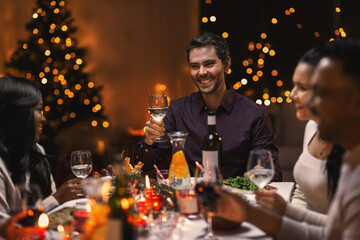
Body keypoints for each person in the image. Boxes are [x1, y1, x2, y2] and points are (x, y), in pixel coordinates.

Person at [213, 39, 360, 239]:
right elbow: (332, 231)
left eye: (321, 93)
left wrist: (254, 214)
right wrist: (254, 213)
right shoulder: (351, 159)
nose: (312, 105)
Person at [134, 32, 282, 180]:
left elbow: (274, 174)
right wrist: (149, 142)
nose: (202, 72)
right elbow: (142, 167)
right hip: (189, 198)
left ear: (226, 64)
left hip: (237, 199)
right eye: (195, 66)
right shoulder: (177, 111)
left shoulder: (254, 114)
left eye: (209, 64)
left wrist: (259, 173)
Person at [256, 47, 345, 216]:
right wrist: (286, 218)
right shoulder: (313, 126)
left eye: (302, 87)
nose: (291, 95)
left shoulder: (351, 142)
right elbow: (302, 195)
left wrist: (284, 217)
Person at [0, 76, 84, 221]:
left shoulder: (37, 151)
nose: (44, 119)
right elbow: (5, 228)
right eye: (39, 110)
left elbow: (54, 215)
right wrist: (56, 199)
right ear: (19, 116)